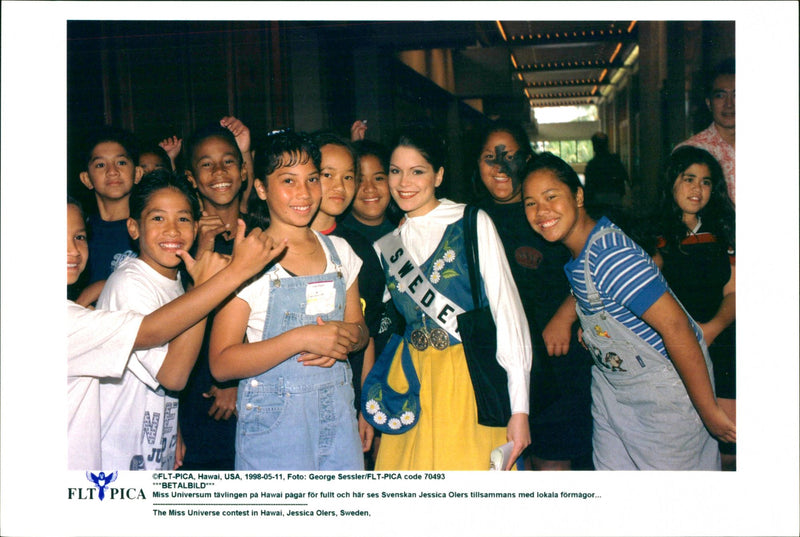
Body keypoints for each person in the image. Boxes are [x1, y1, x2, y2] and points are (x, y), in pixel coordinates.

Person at [522, 153, 735, 470]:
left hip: (662, 400)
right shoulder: (581, 253)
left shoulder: (609, 254)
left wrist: (708, 412)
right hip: (613, 394)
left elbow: (677, 328)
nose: (542, 211)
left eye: (551, 197)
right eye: (530, 203)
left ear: (578, 196)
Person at [67, 191, 285, 470]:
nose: (172, 229)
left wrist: (173, 426)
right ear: (133, 227)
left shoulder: (174, 280)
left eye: (80, 237)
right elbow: (173, 373)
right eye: (158, 218)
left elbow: (159, 373)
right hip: (117, 457)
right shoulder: (131, 284)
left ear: (196, 227)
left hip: (149, 448)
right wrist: (230, 274)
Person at [372, 126, 532, 471]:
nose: (404, 183)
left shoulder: (472, 222)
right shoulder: (388, 245)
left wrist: (519, 409)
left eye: (418, 171)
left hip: (468, 381)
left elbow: (509, 315)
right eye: (396, 172)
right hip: (412, 383)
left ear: (438, 175)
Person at [209, 130, 369, 471]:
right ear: (262, 188)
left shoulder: (340, 252)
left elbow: (361, 330)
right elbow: (221, 362)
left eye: (312, 179)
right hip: (275, 430)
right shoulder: (248, 260)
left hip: (338, 422)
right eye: (288, 181)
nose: (304, 193)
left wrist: (349, 338)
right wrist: (300, 338)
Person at [473, 120, 593, 470]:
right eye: (488, 158)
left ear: (526, 158)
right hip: (500, 365)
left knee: (552, 464)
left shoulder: (546, 211)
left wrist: (566, 315)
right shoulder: (471, 217)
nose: (500, 167)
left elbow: (591, 261)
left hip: (555, 359)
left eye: (510, 157)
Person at [653, 146, 736, 470]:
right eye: (688, 179)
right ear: (672, 181)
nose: (696, 189)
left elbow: (734, 292)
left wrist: (711, 329)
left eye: (705, 182)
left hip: (722, 340)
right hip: (672, 349)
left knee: (729, 444)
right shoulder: (653, 235)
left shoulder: (724, 230)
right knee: (683, 446)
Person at [309, 132, 390, 462]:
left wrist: (365, 406)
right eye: (327, 175)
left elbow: (366, 335)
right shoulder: (281, 242)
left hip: (345, 398)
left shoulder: (359, 249)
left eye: (347, 177)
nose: (338, 187)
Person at [176, 122, 249, 470]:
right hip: (197, 387)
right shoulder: (178, 239)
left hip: (254, 382)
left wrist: (236, 379)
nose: (219, 171)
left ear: (244, 170)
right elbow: (177, 321)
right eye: (207, 164)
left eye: (229, 161)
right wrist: (201, 254)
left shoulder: (262, 232)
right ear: (191, 177)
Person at [76, 126, 144, 305]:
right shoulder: (79, 231)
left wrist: (101, 287)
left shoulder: (150, 228)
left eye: (121, 162)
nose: (112, 171)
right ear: (86, 179)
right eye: (100, 165)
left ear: (137, 173)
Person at [675, 58, 735, 205]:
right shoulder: (690, 151)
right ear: (709, 103)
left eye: (737, 95)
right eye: (720, 95)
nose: (729, 104)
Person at [340, 139, 402, 243]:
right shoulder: (338, 239)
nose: (370, 188)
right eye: (359, 180)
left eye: (378, 178)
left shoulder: (405, 229)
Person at [583, 131, 629, 217]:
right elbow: (624, 177)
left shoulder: (592, 165)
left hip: (600, 203)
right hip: (614, 200)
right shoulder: (615, 160)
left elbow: (589, 187)